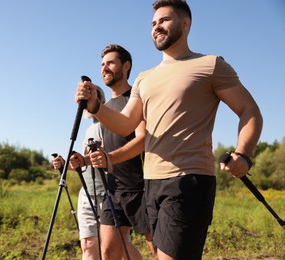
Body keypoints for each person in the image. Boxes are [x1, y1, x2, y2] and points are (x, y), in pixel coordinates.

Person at [75, 1, 263, 259]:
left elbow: (250, 111)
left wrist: (243, 153)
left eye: (164, 20)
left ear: (185, 24)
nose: (156, 27)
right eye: (153, 23)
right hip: (152, 183)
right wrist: (97, 106)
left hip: (189, 180)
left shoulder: (210, 65)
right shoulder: (144, 78)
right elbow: (126, 123)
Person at [70, 44, 154, 259]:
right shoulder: (106, 109)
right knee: (108, 252)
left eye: (110, 63)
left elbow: (142, 140)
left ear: (126, 66)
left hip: (140, 189)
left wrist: (110, 158)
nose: (104, 68)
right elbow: (109, 147)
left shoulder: (134, 100)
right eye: (102, 64)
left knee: (159, 251)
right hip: (113, 188)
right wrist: (86, 160)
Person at [52, 86, 106, 260]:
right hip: (87, 194)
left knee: (114, 247)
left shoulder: (111, 124)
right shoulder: (89, 130)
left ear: (99, 99)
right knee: (88, 246)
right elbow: (83, 165)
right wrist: (65, 164)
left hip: (108, 194)